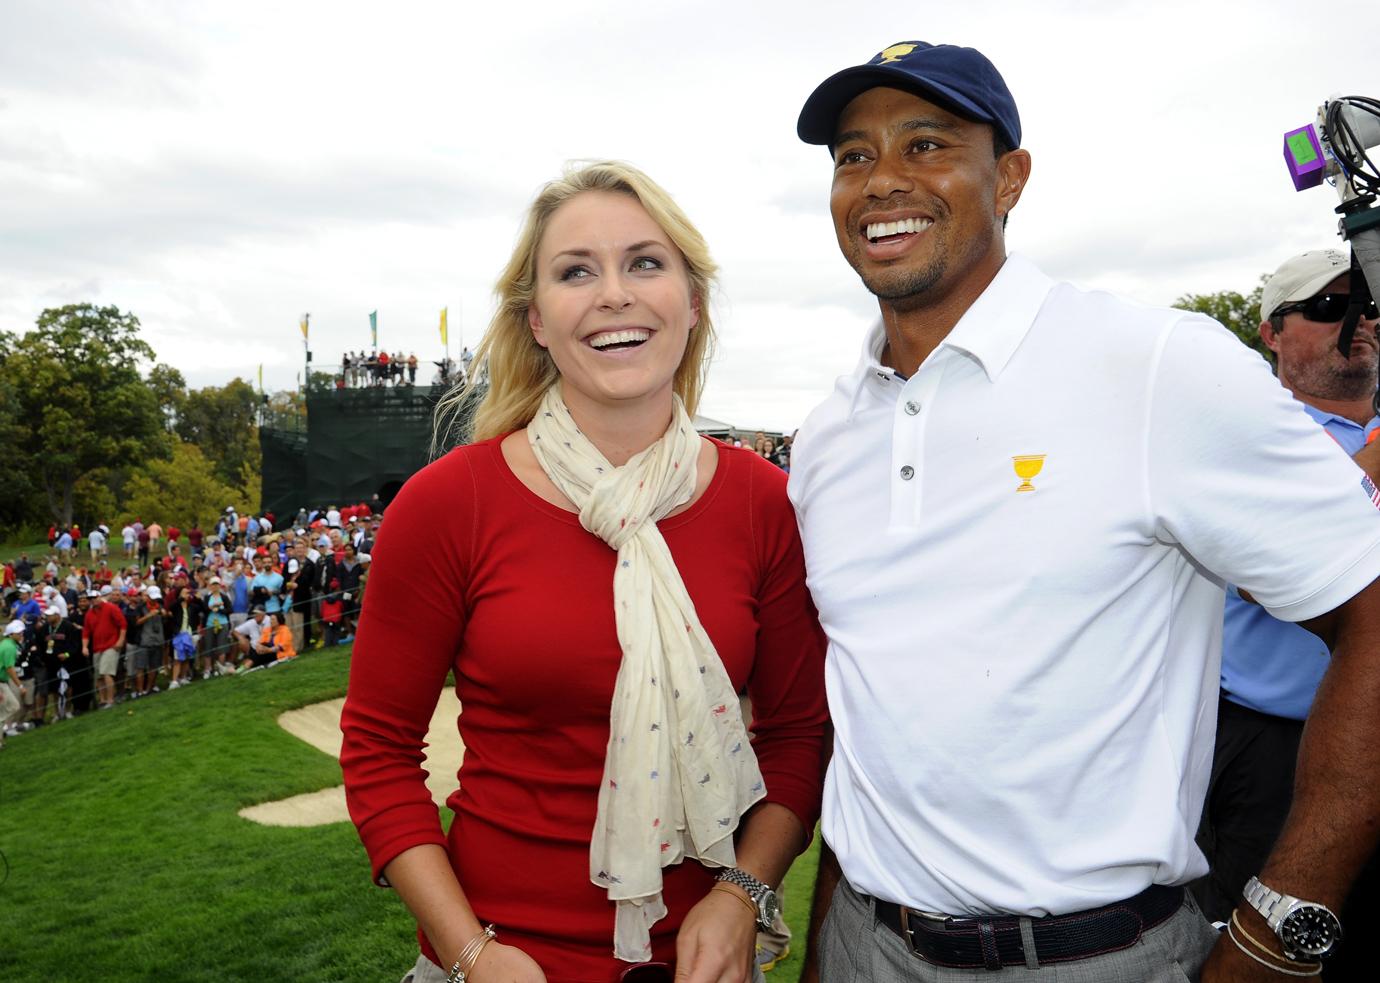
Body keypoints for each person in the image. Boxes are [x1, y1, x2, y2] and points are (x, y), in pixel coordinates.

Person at [788, 40, 1380, 982]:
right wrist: (828, 946)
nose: (882, 181)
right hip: (868, 943)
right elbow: (866, 720)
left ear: (1010, 177)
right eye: (853, 156)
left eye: (927, 144)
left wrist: (1281, 931)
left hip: (1098, 956)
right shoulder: (827, 436)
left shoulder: (1155, 368)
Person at [340, 161, 828, 983]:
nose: (614, 295)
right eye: (576, 271)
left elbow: (800, 734)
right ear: (537, 318)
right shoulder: (447, 504)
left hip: (695, 965)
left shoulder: (764, 501)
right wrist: (471, 953)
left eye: (645, 262)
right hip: (500, 961)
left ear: (693, 300)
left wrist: (743, 892)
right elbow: (379, 750)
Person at [1193, 249, 1380, 975]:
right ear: (1271, 333)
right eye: (1329, 308)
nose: (1357, 323)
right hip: (1271, 753)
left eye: (1366, 306)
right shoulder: (1250, 428)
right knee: (1259, 955)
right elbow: (1268, 570)